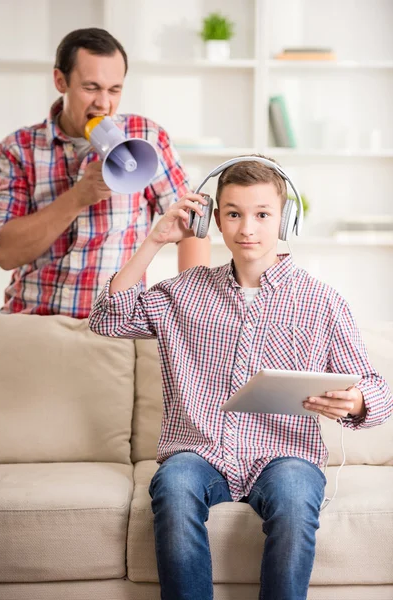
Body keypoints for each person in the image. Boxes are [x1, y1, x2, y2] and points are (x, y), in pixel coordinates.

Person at [88, 156, 392, 600]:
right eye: (233, 213)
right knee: (173, 486)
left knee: (293, 498)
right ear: (213, 219)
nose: (247, 227)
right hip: (199, 451)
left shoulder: (322, 301)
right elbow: (108, 320)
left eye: (262, 214)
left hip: (285, 454)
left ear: (285, 219)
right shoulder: (185, 292)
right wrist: (154, 241)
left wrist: (357, 401)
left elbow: (377, 391)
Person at [0, 28, 209, 317]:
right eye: (90, 87)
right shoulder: (18, 148)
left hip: (112, 325)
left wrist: (193, 312)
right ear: (60, 81)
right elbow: (6, 255)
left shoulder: (147, 137)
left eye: (114, 89)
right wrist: (78, 197)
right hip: (31, 321)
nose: (103, 103)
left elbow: (193, 225)